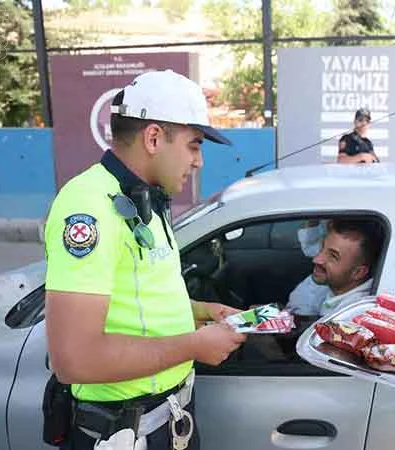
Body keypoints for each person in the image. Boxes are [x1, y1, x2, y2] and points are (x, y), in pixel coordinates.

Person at [43, 69, 246, 450]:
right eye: (194, 144)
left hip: (166, 421)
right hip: (122, 434)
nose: (199, 161)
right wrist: (194, 345)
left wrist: (201, 310)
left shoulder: (144, 198)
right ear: (154, 137)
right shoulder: (89, 207)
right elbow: (74, 358)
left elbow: (137, 299)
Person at [286, 218, 384, 316]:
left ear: (358, 272)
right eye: (322, 248)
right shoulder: (335, 285)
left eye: (333, 256)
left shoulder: (351, 315)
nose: (316, 259)